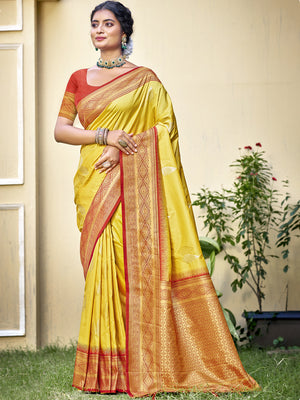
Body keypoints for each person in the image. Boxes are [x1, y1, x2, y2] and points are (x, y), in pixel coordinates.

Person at [55, 1, 259, 397]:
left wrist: (124, 147)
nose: (99, 30)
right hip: (94, 183)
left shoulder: (145, 79)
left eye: (108, 23)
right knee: (102, 268)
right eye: (94, 24)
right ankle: (104, 372)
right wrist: (105, 137)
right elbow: (61, 130)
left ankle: (145, 361)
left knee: (133, 268)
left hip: (131, 182)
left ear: (124, 32)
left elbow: (164, 126)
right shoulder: (78, 78)